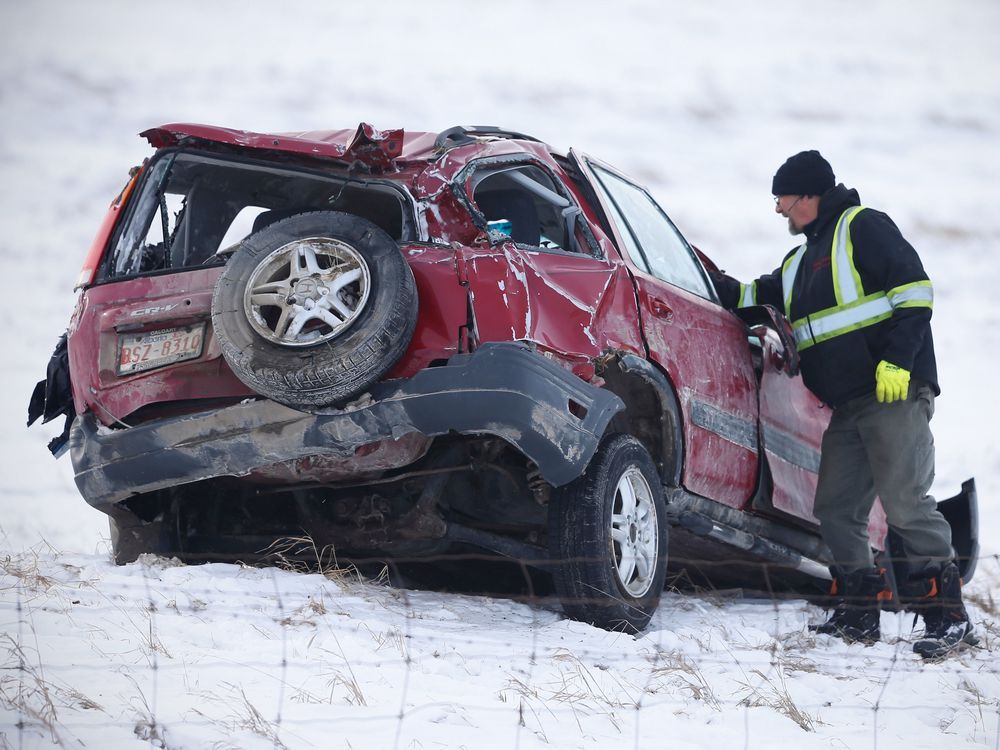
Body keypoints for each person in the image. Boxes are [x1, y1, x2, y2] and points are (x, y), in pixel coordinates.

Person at [709, 150, 976, 658]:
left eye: (783, 199)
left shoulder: (863, 227)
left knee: (904, 503)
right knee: (834, 508)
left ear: (809, 195)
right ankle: (858, 611)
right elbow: (751, 293)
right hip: (847, 408)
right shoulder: (797, 265)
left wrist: (898, 362)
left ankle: (947, 617)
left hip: (892, 392)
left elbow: (915, 291)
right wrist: (705, 275)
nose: (779, 209)